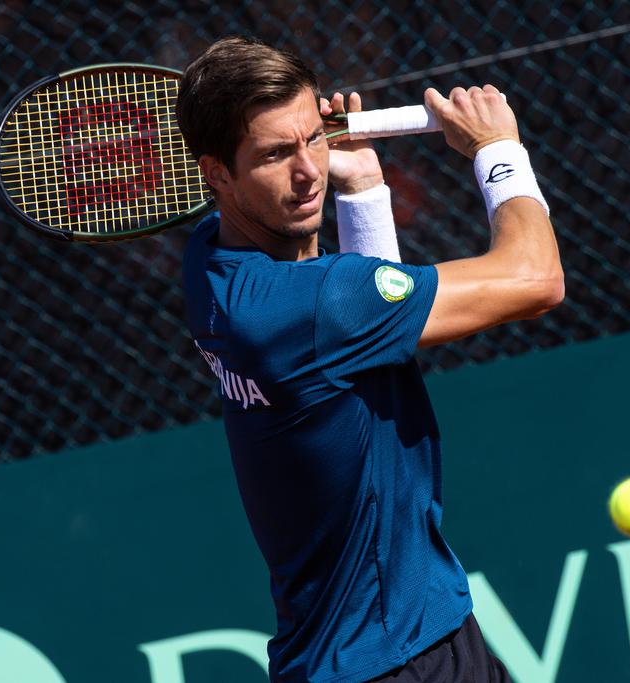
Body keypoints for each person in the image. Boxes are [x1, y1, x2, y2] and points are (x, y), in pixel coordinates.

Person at [177, 36, 563, 683]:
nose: (308, 172)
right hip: (397, 661)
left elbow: (366, 342)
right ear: (216, 173)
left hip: (398, 641)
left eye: (313, 138)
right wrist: (500, 151)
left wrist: (361, 191)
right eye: (276, 154)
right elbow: (535, 279)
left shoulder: (208, 259)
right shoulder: (308, 307)